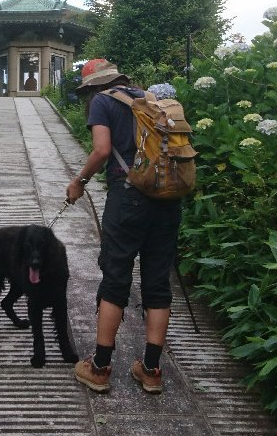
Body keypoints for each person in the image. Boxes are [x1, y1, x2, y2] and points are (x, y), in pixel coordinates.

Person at [65, 58, 181, 394]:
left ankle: (99, 368)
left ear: (92, 87)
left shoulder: (103, 102)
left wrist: (80, 181)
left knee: (116, 277)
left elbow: (102, 151)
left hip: (129, 198)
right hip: (168, 198)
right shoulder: (151, 100)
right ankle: (151, 370)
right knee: (158, 282)